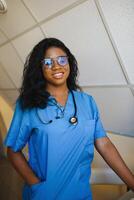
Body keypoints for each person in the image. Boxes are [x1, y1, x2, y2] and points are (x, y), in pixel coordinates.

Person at [4, 38, 134, 200]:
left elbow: (104, 144)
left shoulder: (87, 102)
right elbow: (13, 150)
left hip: (80, 194)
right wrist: (36, 185)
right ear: (40, 68)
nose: (57, 66)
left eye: (61, 59)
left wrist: (132, 183)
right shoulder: (28, 105)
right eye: (48, 62)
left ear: (69, 62)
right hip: (44, 195)